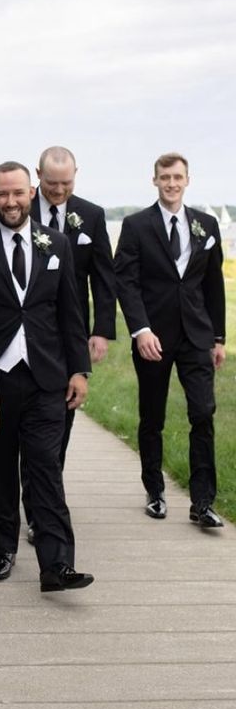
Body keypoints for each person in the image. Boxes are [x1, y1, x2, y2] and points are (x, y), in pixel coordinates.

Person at [0, 161, 94, 592]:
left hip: (46, 376)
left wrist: (79, 369)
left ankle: (57, 565)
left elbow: (70, 312)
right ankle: (1, 549)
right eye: (2, 194)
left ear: (31, 192)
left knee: (45, 468)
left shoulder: (55, 243)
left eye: (18, 193)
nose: (11, 202)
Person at [114, 153, 226, 527]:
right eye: (165, 177)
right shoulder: (135, 225)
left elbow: (212, 286)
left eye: (178, 177)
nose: (171, 183)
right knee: (152, 417)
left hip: (196, 336)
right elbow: (125, 282)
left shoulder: (206, 225)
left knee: (203, 414)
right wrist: (140, 329)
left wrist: (219, 337)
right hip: (153, 337)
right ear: (155, 180)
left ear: (187, 180)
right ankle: (155, 492)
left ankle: (203, 502)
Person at [25, 146, 116, 544]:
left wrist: (101, 329)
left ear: (76, 175)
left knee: (60, 420)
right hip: (25, 331)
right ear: (37, 176)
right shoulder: (18, 207)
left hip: (71, 331)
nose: (59, 191)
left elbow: (104, 277)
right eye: (51, 183)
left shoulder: (91, 215)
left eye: (67, 183)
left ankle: (44, 498)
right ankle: (35, 504)